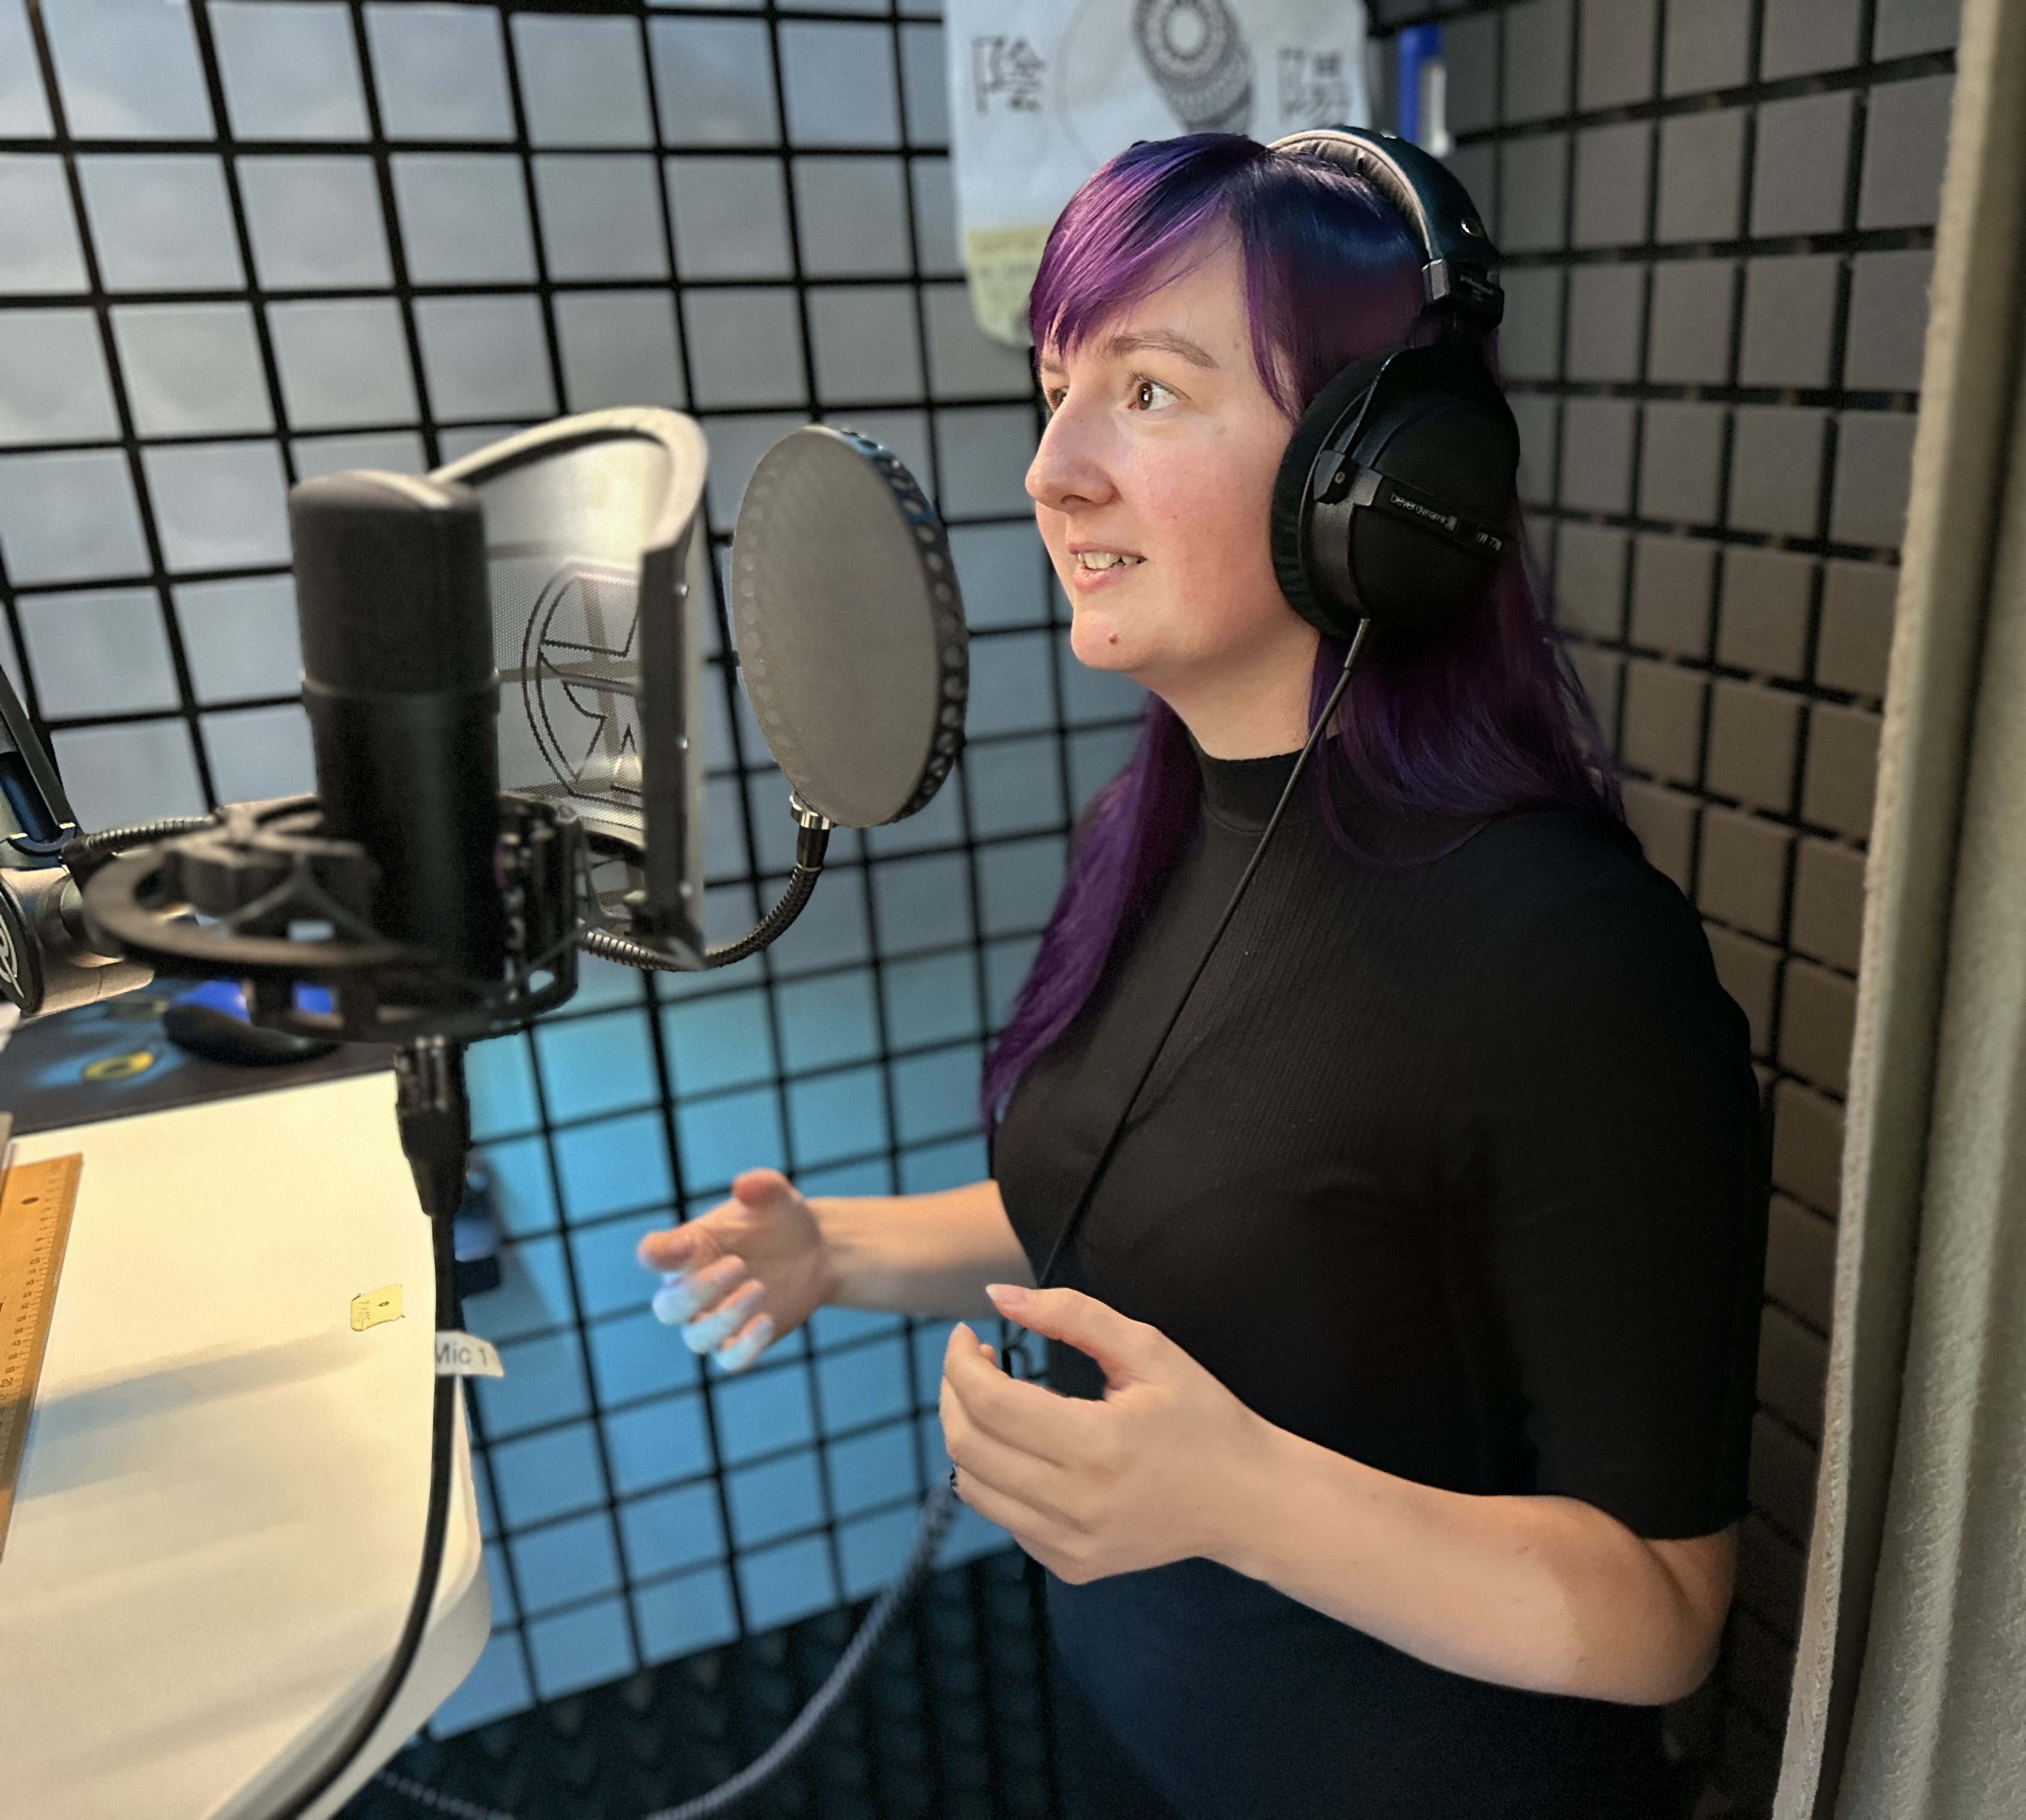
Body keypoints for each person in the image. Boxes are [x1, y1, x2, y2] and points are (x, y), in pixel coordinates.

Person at [637, 133, 1765, 1820]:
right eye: (1055, 393)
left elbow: (1662, 1615)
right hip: (1143, 1749)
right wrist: (836, 1253)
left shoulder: (1568, 956)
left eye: (1150, 393)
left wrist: (1239, 1500)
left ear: (1378, 474)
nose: (1052, 471)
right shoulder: (1148, 834)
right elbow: (1179, 1206)